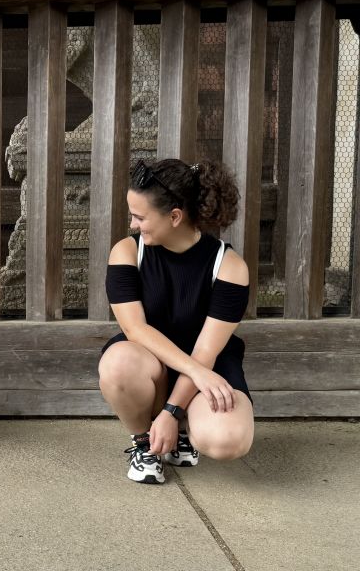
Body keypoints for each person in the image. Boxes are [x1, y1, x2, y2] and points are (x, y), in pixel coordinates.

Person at [99, 158, 254, 484]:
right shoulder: (126, 253)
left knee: (229, 439)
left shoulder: (229, 266)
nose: (132, 225)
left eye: (140, 217)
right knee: (118, 363)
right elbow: (135, 330)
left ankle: (181, 427)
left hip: (206, 365)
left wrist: (173, 411)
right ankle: (145, 442)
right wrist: (195, 374)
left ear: (174, 217)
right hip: (150, 362)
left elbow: (206, 353)